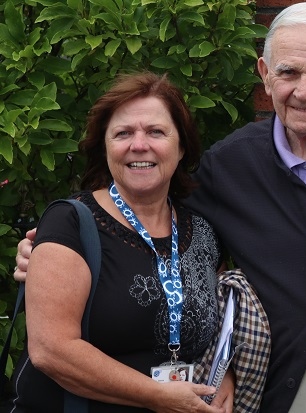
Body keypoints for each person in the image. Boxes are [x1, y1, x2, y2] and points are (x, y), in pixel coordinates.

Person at [15, 3, 306, 412]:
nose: (303, 90)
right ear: (265, 76)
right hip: (280, 387)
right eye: (288, 72)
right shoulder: (230, 166)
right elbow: (139, 207)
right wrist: (51, 249)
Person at [10, 72, 235, 412]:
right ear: (106, 146)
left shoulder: (202, 232)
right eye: (123, 133)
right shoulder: (72, 222)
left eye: (156, 132)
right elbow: (51, 350)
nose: (139, 145)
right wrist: (158, 396)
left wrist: (223, 376)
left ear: (182, 146)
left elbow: (218, 331)